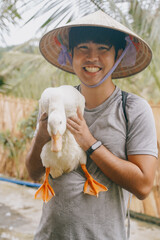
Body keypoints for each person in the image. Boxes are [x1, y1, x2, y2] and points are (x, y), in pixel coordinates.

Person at [25, 10, 158, 240]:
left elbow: (144, 186)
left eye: (103, 49)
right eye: (83, 48)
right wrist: (41, 137)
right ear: (71, 54)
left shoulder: (133, 109)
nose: (92, 57)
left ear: (118, 54)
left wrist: (90, 143)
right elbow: (33, 172)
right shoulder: (57, 100)